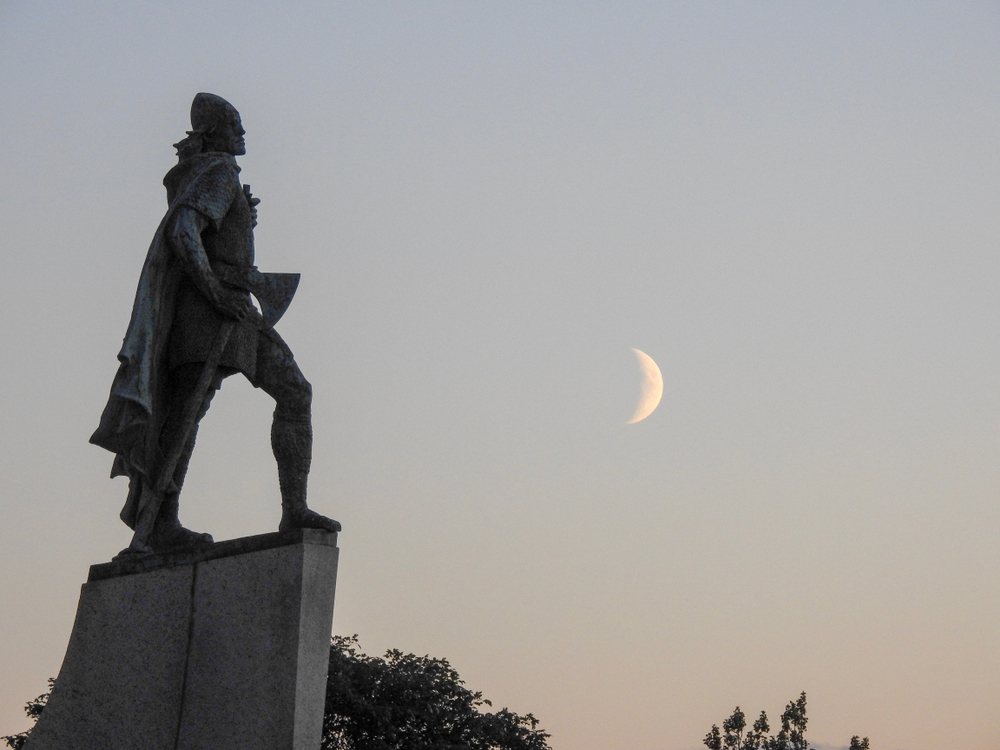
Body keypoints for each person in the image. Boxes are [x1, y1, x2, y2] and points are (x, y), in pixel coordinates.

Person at [91, 93, 339, 553]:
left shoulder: (214, 176)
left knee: (290, 393)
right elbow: (183, 231)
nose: (242, 133)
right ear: (212, 134)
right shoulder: (219, 172)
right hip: (212, 310)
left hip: (232, 307)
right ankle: (159, 523)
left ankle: (293, 510)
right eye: (234, 124)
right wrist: (217, 292)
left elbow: (202, 232)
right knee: (184, 415)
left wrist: (240, 227)